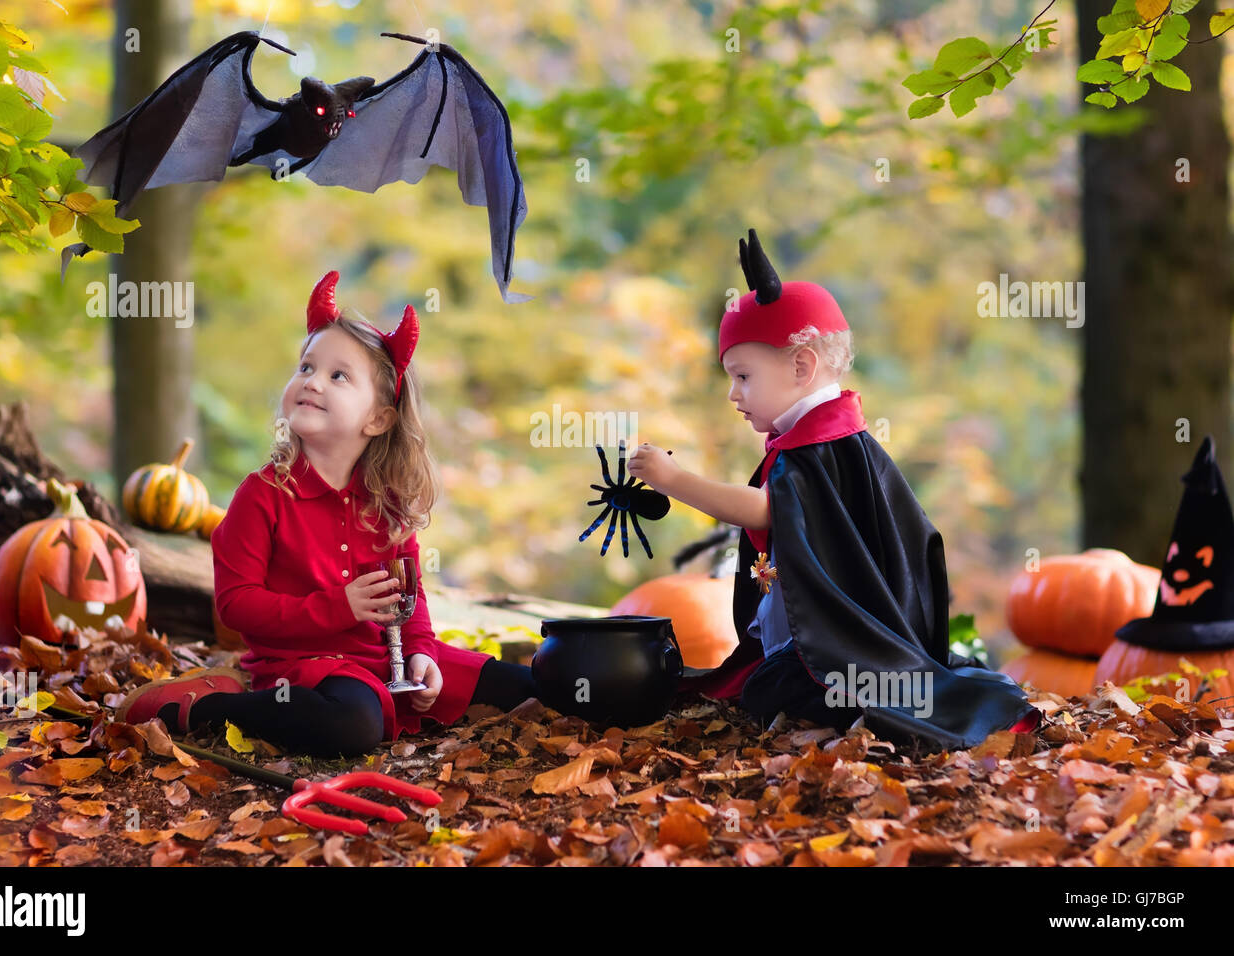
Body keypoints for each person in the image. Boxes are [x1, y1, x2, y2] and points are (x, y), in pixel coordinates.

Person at [627, 229, 1040, 752]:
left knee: (785, 691)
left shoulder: (824, 447)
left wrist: (674, 479)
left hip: (841, 652)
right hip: (811, 634)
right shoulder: (817, 440)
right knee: (766, 686)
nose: (733, 394)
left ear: (801, 366)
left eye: (743, 376)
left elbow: (763, 511)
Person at [116, 271, 538, 756]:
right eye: (306, 367)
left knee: (520, 683)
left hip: (386, 660)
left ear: (378, 419)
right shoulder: (263, 495)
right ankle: (200, 707)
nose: (312, 382)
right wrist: (339, 606)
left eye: (338, 376)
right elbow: (236, 606)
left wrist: (422, 655)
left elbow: (411, 598)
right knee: (352, 727)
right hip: (306, 664)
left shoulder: (387, 501)